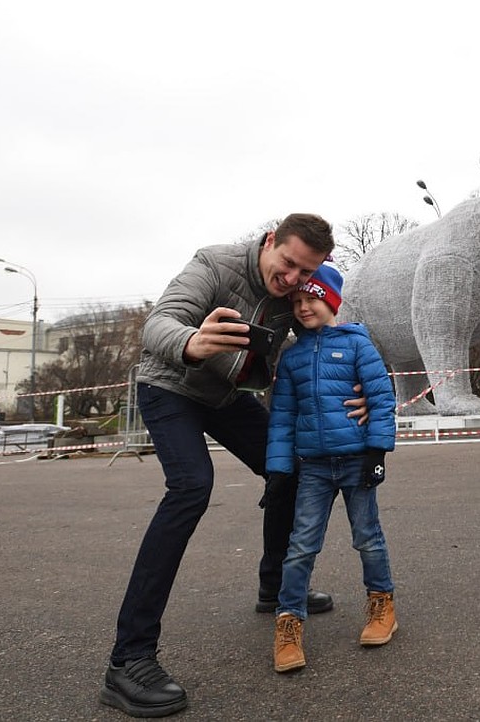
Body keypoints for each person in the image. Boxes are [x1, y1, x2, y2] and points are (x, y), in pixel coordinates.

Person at [100, 214, 366, 718]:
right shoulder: (214, 264)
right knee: (191, 487)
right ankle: (127, 660)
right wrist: (189, 342)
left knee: (291, 466)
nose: (291, 281)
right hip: (170, 385)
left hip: (225, 398)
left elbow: (314, 342)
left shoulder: (292, 295)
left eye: (303, 272)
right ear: (270, 241)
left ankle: (274, 585)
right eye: (287, 264)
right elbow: (158, 321)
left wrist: (355, 385)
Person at [265, 264, 398, 673]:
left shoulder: (359, 345)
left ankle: (382, 606)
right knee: (301, 545)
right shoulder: (291, 359)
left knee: (367, 537)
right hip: (314, 468)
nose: (305, 307)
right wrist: (278, 470)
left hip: (357, 461)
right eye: (298, 301)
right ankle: (288, 624)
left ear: (331, 300)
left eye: (312, 298)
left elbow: (380, 398)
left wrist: (377, 453)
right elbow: (283, 416)